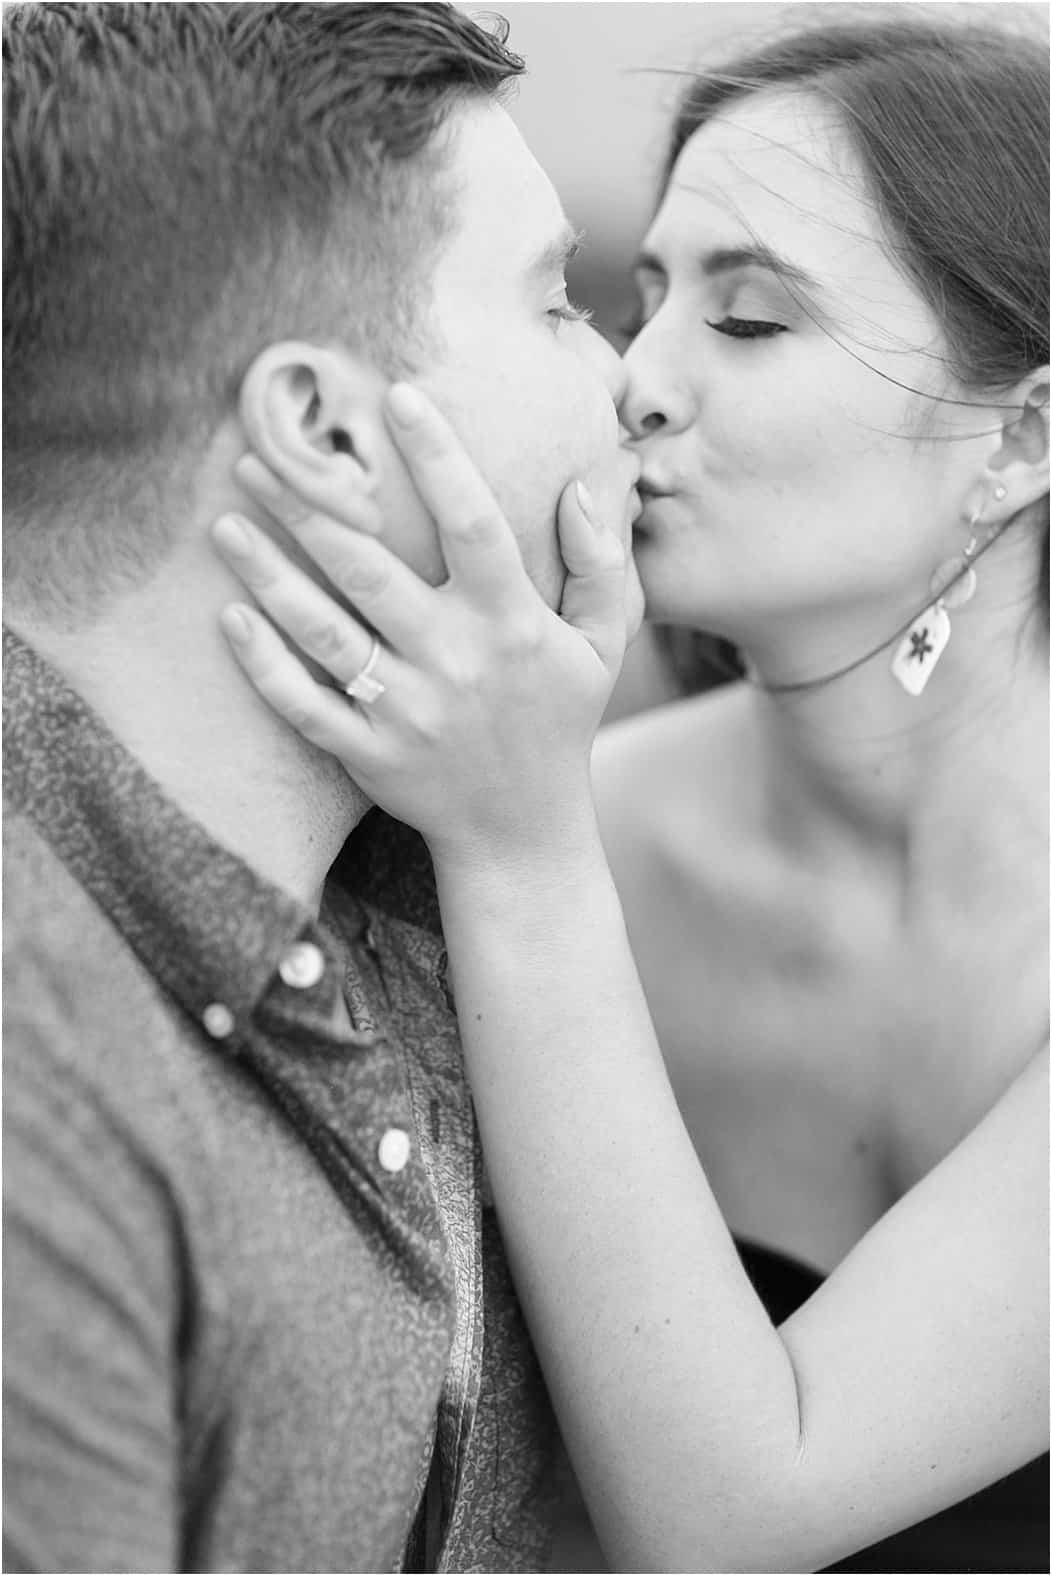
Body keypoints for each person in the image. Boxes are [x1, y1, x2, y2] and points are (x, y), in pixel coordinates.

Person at [211, 12, 1050, 1573]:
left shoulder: (519, 827)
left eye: (749, 323)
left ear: (1018, 439)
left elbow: (728, 1522)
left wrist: (525, 852)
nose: (631, 381)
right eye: (633, 298)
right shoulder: (508, 804)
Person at [1, 4, 643, 1570]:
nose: (628, 380)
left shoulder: (437, 853)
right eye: (561, 304)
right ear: (326, 431)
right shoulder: (38, 1083)